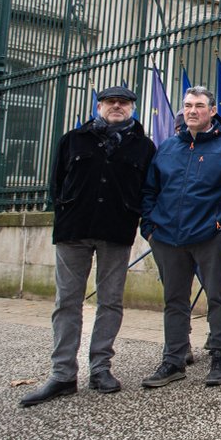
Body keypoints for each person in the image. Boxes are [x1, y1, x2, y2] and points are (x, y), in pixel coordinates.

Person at [19, 87, 156, 407]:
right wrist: (66, 211)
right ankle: (63, 373)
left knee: (110, 301)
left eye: (123, 103)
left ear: (132, 108)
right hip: (74, 230)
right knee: (67, 301)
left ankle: (101, 368)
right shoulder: (73, 140)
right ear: (99, 106)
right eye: (111, 102)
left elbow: (147, 189)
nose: (117, 106)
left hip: (116, 231)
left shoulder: (144, 147)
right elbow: (56, 183)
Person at [139, 85, 221, 388]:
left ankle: (220, 355)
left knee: (218, 297)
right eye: (188, 106)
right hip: (167, 238)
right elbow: (150, 189)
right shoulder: (167, 147)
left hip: (209, 237)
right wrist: (149, 228)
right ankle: (173, 361)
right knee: (174, 300)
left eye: (199, 106)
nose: (192, 111)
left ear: (212, 111)